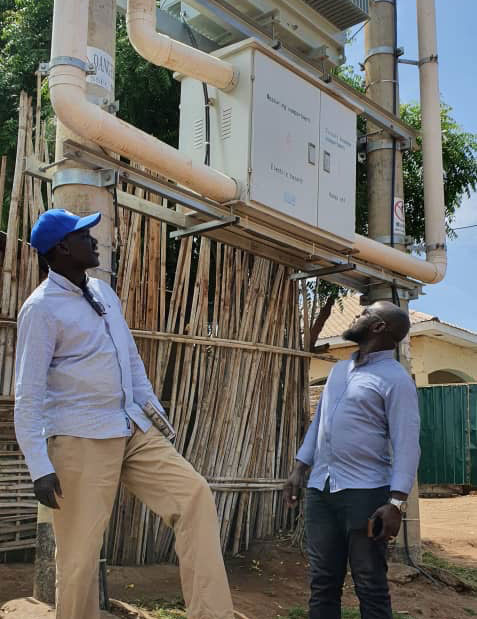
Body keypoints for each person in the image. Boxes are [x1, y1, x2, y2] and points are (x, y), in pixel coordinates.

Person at [15, 208, 236, 619]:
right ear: (62, 247)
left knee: (194, 497)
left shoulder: (103, 292)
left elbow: (130, 360)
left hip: (130, 427)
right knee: (80, 556)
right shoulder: (40, 309)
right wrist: (38, 466)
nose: (94, 239)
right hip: (80, 438)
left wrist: (151, 413)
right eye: (84, 235)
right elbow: (28, 393)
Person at [284, 301, 421, 619]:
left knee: (370, 585)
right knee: (322, 583)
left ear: (378, 327)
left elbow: (407, 443)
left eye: (365, 313)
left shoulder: (396, 380)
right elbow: (319, 423)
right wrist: (299, 468)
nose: (357, 316)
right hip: (322, 490)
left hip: (366, 495)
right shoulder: (338, 370)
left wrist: (396, 502)